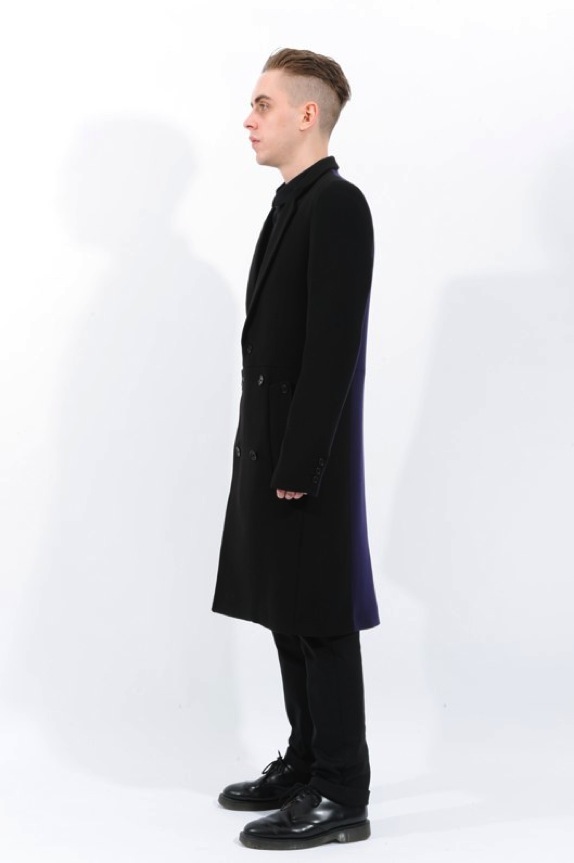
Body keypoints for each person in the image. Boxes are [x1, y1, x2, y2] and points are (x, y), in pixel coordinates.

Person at [211, 47, 380, 851]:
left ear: (307, 114)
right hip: (273, 448)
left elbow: (333, 349)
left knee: (321, 618)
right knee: (288, 611)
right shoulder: (293, 203)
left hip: (306, 457)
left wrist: (301, 462)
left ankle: (341, 792)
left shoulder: (338, 205)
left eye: (263, 104)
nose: (249, 120)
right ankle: (307, 760)